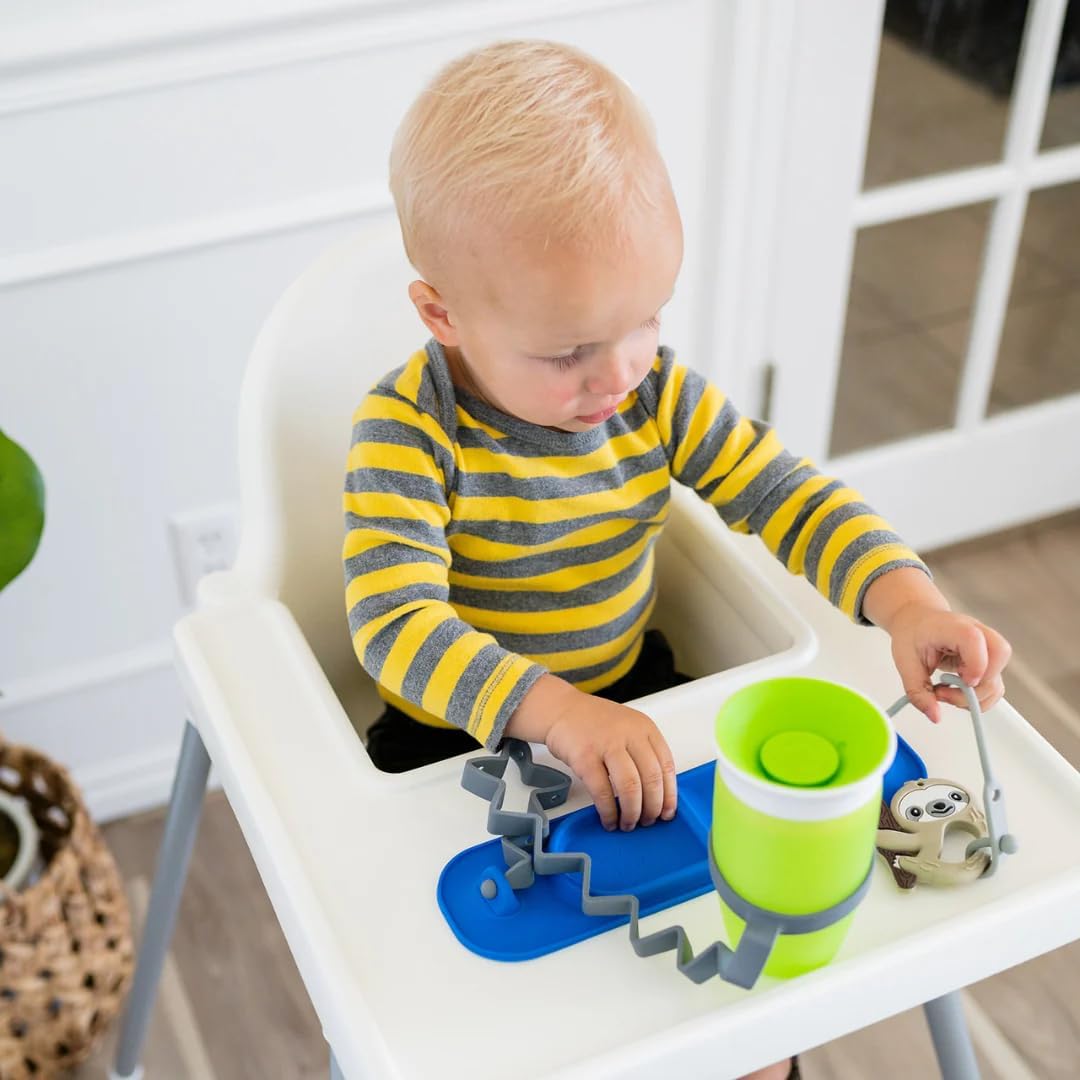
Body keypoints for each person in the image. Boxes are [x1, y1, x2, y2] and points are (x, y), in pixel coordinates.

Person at [343, 41, 1011, 1080]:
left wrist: (905, 600)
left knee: (720, 970)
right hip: (460, 743)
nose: (615, 374)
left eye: (646, 320)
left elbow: (784, 492)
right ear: (444, 316)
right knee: (509, 1008)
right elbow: (393, 627)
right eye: (567, 351)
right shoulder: (407, 429)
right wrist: (557, 711)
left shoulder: (652, 392)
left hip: (638, 700)